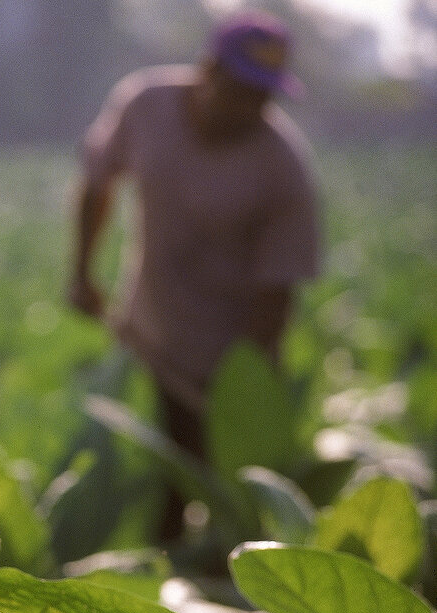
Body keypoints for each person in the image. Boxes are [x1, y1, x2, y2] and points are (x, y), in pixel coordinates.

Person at [66, 13, 322, 536]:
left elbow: (277, 293)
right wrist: (82, 275)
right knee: (139, 496)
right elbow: (98, 184)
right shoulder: (145, 104)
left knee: (221, 508)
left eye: (263, 97)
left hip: (224, 355)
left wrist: (238, 387)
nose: (249, 108)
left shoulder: (283, 165)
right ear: (208, 70)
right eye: (239, 90)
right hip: (147, 332)